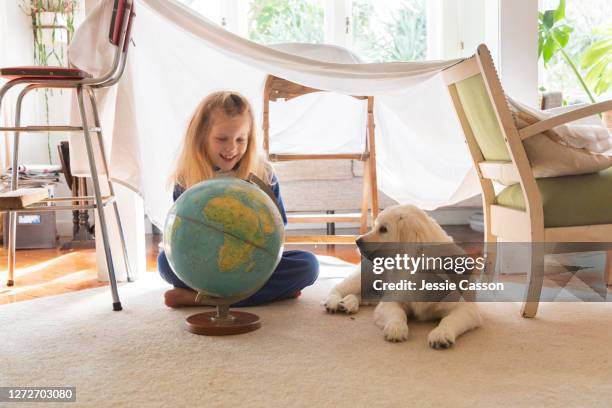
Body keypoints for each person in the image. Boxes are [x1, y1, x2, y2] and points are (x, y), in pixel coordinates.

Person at [158, 91, 319, 308]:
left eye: (240, 139)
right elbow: (181, 233)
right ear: (202, 137)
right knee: (165, 263)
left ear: (250, 139)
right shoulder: (188, 179)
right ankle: (267, 294)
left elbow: (280, 226)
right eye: (221, 139)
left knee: (307, 265)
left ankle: (200, 299)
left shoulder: (263, 174)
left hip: (252, 265)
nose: (232, 148)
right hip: (205, 263)